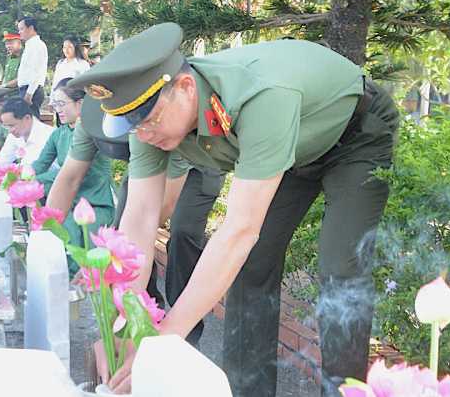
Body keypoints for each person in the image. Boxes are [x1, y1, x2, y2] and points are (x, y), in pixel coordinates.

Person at [69, 23, 399, 396]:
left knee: (341, 269)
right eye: (133, 127)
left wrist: (161, 341)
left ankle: (346, 393)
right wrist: (123, 327)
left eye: (148, 122)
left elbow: (240, 229)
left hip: (355, 136)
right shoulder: (150, 113)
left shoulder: (261, 95)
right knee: (251, 263)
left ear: (186, 88)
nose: (143, 136)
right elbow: (141, 217)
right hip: (292, 151)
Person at [46, 85, 223, 345]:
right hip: (146, 158)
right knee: (122, 229)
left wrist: (109, 258)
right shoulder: (91, 118)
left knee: (182, 234)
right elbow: (69, 179)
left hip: (196, 161)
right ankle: (143, 322)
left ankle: (184, 335)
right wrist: (46, 240)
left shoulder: (158, 119)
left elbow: (160, 209)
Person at [31, 78, 116, 276]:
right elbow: (40, 165)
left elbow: (71, 174)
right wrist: (17, 179)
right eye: (55, 104)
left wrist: (34, 183)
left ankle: (81, 285)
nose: (57, 110)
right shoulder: (59, 134)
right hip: (70, 200)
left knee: (82, 238)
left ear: (81, 104)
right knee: (57, 234)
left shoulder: (93, 131)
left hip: (97, 201)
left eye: (62, 104)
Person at [0, 96, 55, 166]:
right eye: (6, 126)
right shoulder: (14, 135)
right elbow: (2, 160)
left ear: (27, 118)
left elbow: (33, 167)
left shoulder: (47, 136)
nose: (10, 131)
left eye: (12, 126)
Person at [49, 36, 90, 124]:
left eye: (69, 47)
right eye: (64, 47)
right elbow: (55, 83)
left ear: (75, 47)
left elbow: (85, 84)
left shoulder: (83, 64)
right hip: (60, 98)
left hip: (74, 99)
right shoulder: (60, 64)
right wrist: (51, 101)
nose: (66, 50)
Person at [15, 17, 48, 120]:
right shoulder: (30, 45)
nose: (20, 32)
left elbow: (36, 71)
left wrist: (29, 93)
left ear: (31, 28)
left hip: (32, 90)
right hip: (27, 89)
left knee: (31, 122)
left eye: (21, 29)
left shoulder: (37, 46)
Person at [0, 29, 24, 96]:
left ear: (18, 42)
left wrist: (4, 85)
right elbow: (5, 75)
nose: (8, 46)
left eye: (10, 43)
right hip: (8, 94)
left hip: (19, 93)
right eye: (6, 44)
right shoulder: (9, 57)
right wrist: (2, 88)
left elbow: (22, 78)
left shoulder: (24, 56)